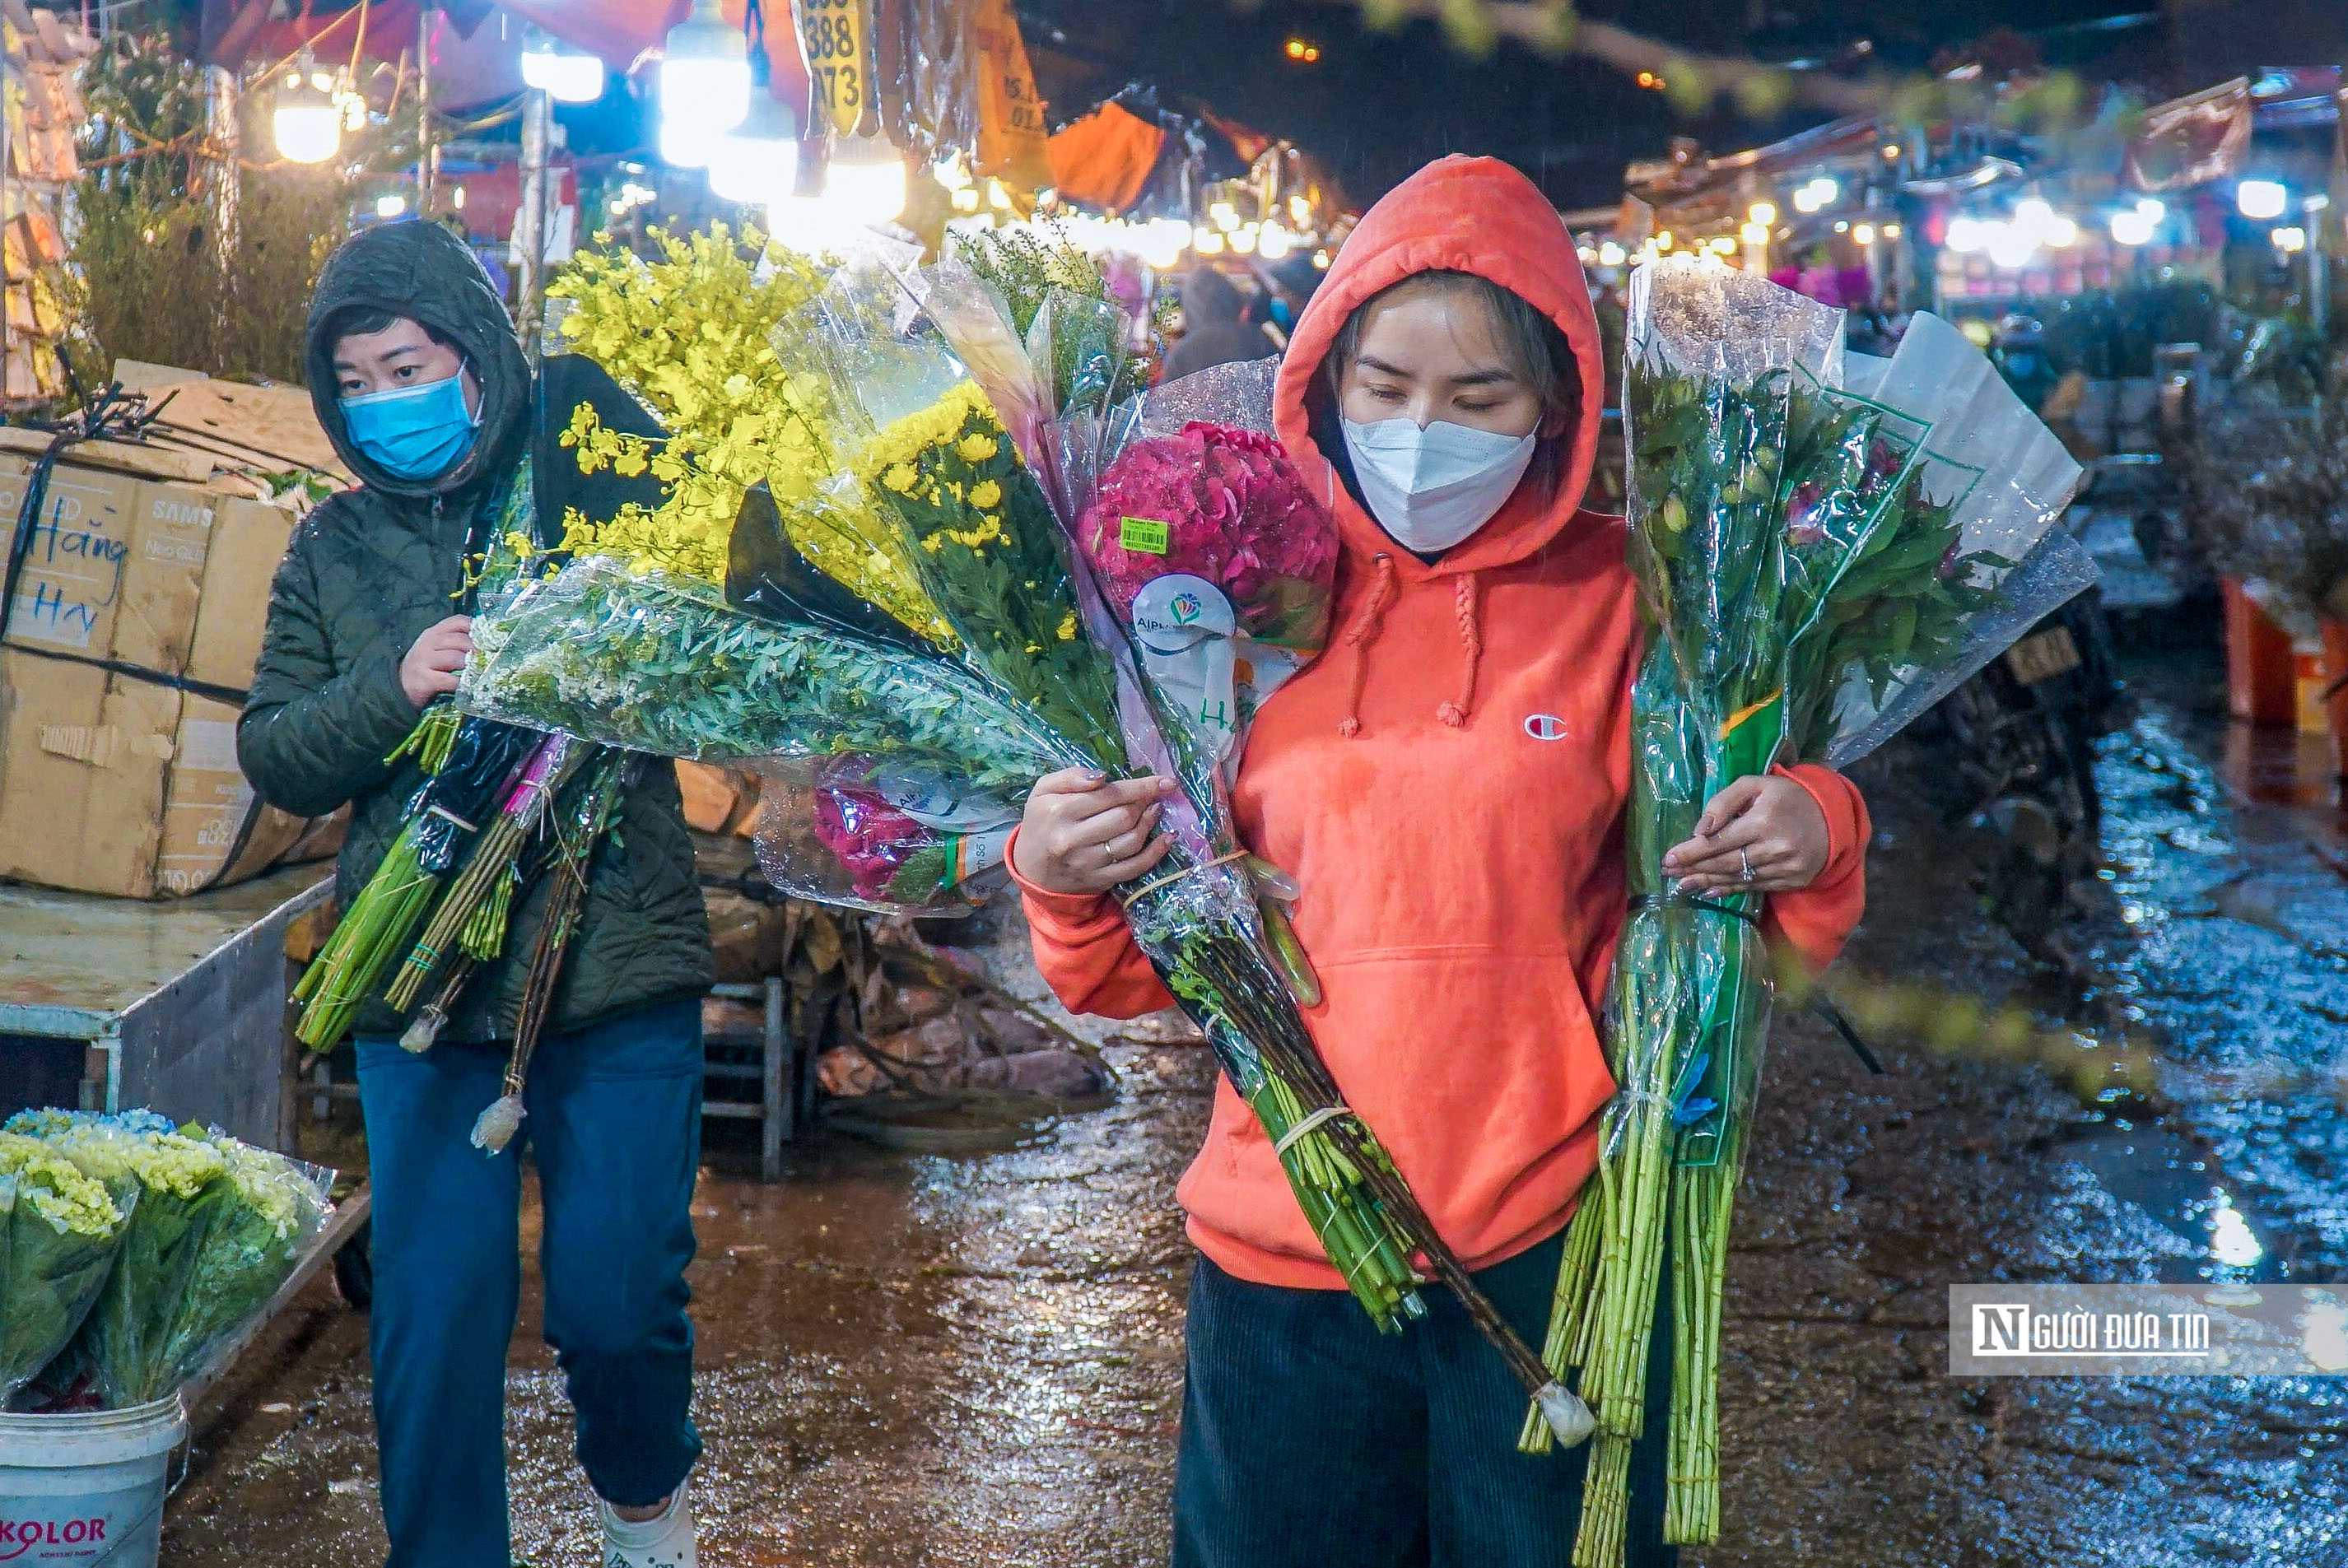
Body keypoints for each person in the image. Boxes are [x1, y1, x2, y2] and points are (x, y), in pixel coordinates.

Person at [1007, 156, 1870, 1566]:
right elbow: (1123, 978)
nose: (1423, 431)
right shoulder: (1227, 597)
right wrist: (1059, 864)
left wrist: (1817, 823)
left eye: (1479, 400)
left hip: (1560, 1247)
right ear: (1323, 382)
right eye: (1387, 388)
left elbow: (1743, 933)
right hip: (1280, 1250)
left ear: (1555, 407)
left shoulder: (1639, 598)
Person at [239, 220, 713, 1568]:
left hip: (613, 961)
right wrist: (398, 687)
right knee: (433, 1319)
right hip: (421, 991)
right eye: (360, 382)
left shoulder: (584, 479)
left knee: (616, 1306)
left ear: (475, 353)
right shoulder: (332, 550)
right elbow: (273, 749)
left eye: (410, 363)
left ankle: (644, 1508)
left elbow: (714, 643)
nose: (387, 400)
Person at [1160, 264, 1274, 381]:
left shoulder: (1181, 353)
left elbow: (1166, 397)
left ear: (1189, 308)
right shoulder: (1258, 338)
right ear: (1232, 297)